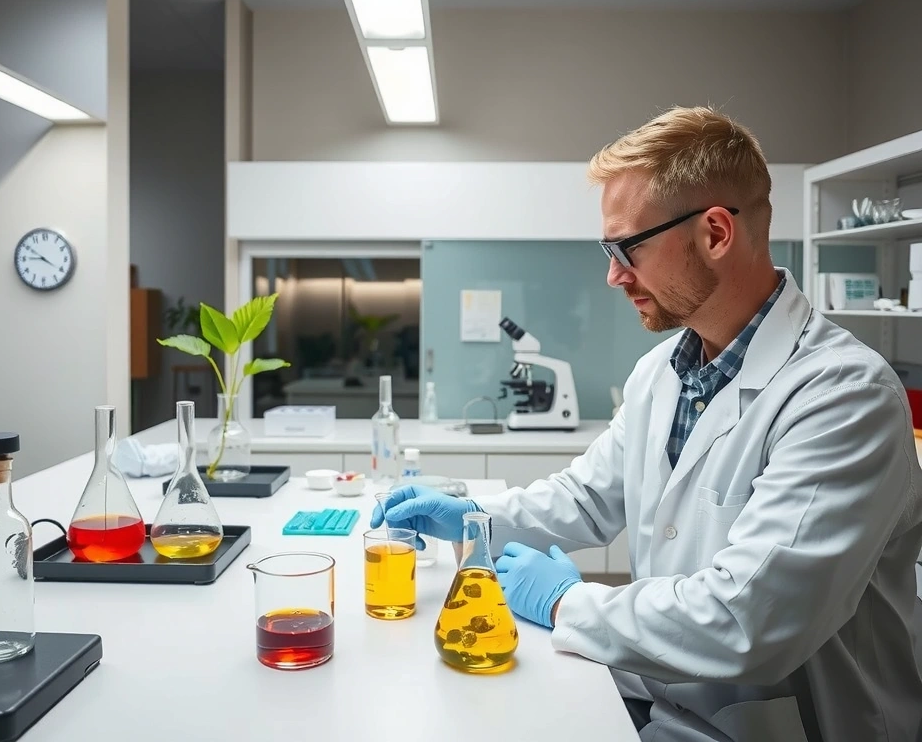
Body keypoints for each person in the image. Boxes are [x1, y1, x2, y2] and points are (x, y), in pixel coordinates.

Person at [373, 106, 922, 742]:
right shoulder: (662, 371)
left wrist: (564, 601)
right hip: (667, 701)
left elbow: (747, 620)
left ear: (715, 233)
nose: (612, 275)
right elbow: (589, 497)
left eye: (626, 248)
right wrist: (475, 519)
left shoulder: (844, 397)